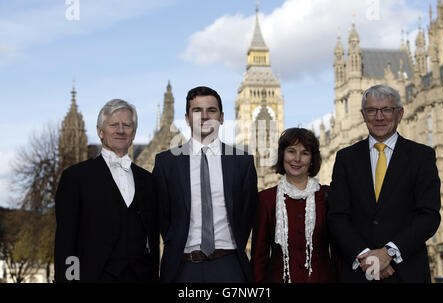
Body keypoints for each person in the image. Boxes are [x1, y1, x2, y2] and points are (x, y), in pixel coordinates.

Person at [328, 84, 441, 283]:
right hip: (358, 274)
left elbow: (429, 215)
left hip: (407, 273)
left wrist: (389, 253)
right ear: (363, 115)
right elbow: (337, 217)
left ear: (400, 113)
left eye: (387, 110)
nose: (379, 117)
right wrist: (367, 258)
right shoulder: (346, 158)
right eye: (371, 110)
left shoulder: (422, 156)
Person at [153, 86, 258, 283]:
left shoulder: (242, 162)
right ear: (186, 118)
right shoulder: (166, 163)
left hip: (229, 265)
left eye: (211, 110)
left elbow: (246, 216)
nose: (204, 116)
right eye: (196, 111)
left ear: (221, 117)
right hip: (182, 267)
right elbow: (163, 218)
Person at [54, 99, 159, 282]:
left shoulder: (148, 180)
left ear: (133, 133)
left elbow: (153, 239)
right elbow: (66, 241)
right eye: (113, 124)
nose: (120, 130)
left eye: (126, 125)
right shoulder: (76, 177)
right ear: (100, 131)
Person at [251, 128, 337, 283]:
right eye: (291, 151)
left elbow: (339, 252)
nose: (297, 159)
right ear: (282, 155)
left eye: (304, 153)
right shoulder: (266, 199)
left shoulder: (328, 196)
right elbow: (259, 257)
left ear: (312, 159)